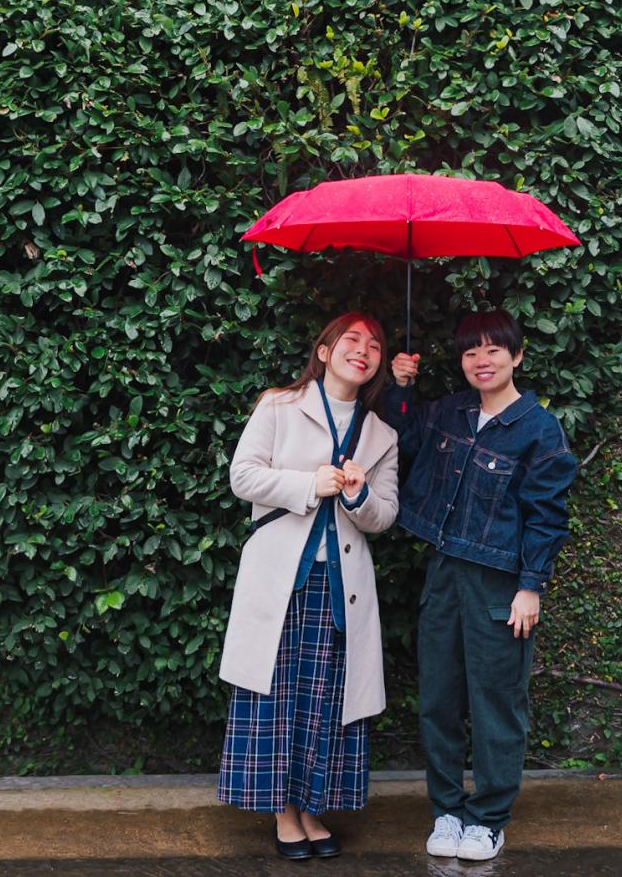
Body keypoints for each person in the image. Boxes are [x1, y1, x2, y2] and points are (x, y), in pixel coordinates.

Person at [383, 309, 577, 862]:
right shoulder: (450, 411)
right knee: (439, 701)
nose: (481, 361)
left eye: (494, 350)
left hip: (499, 584)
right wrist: (400, 387)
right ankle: (446, 810)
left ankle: (488, 819)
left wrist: (531, 585)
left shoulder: (539, 428)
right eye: (471, 352)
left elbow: (547, 515)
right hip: (444, 573)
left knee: (496, 704)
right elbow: (400, 438)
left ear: (516, 356)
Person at [218, 312, 401, 861]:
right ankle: (282, 811)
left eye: (373, 344)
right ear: (324, 351)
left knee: (324, 696)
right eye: (351, 340)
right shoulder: (279, 405)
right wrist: (308, 483)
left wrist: (355, 498)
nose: (362, 351)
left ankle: (312, 808)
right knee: (277, 693)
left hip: (341, 582)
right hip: (279, 575)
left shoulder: (381, 434)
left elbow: (386, 515)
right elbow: (242, 475)